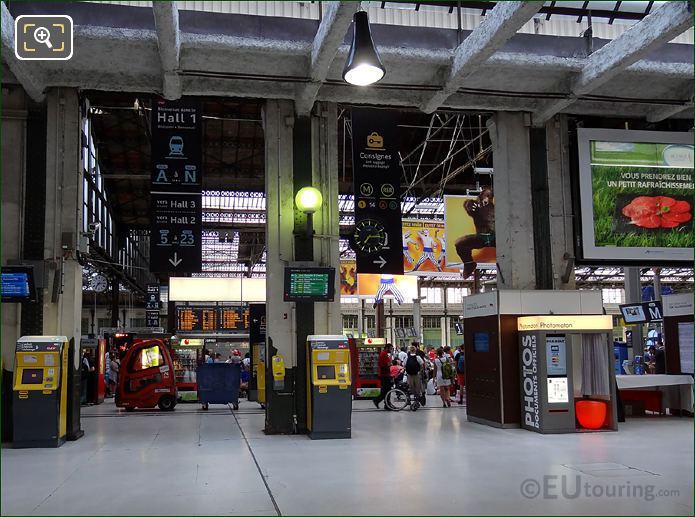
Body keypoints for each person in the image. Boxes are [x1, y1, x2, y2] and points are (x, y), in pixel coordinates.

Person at [454, 187, 495, 278]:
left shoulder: (495, 209)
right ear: (481, 197)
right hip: (481, 237)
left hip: (495, 237)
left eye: (490, 197)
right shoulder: (476, 207)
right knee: (459, 244)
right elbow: (468, 204)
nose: (487, 198)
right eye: (486, 196)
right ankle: (469, 264)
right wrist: (469, 204)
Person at [373, 344, 394, 410]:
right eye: (390, 349)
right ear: (387, 348)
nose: (390, 350)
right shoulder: (384, 354)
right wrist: (391, 355)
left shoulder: (383, 353)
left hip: (384, 374)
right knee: (387, 390)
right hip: (384, 375)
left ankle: (386, 404)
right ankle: (379, 401)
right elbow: (389, 364)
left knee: (385, 389)